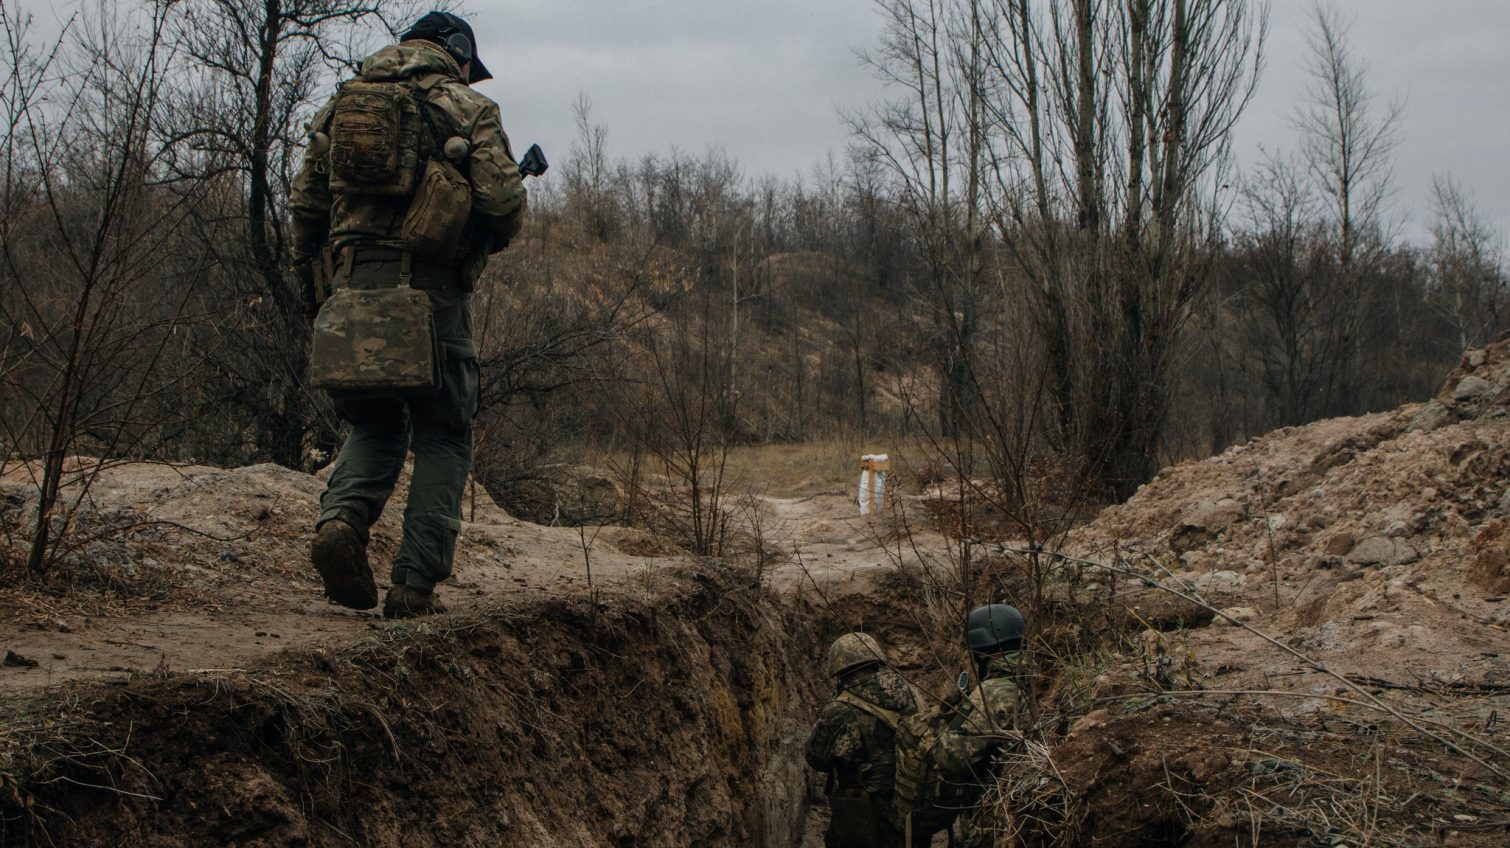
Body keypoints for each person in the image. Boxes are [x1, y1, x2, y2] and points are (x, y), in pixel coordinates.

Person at [287, 11, 527, 618]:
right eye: (473, 67)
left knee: (374, 425)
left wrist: (316, 291)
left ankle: (340, 521)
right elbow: (503, 202)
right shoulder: (465, 108)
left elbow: (306, 204)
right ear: (458, 55)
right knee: (444, 434)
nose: (474, 77)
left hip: (350, 292)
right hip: (432, 295)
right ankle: (413, 587)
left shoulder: (344, 103)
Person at [805, 632, 919, 847]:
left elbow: (816, 758)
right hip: (911, 809)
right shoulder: (911, 693)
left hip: (864, 817)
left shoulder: (839, 710)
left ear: (840, 670)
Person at [935, 603, 1027, 848]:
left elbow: (950, 758)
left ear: (985, 652)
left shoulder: (992, 692)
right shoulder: (1043, 673)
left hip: (991, 816)